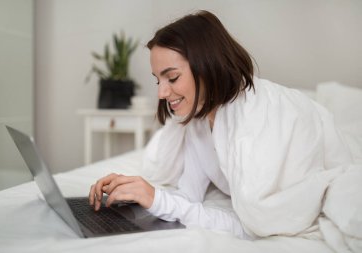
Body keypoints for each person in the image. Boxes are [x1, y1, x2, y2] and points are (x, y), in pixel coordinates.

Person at [89, 10, 352, 239]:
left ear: (207, 65)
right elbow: (189, 196)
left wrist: (157, 199)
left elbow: (256, 224)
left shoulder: (256, 119)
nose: (161, 93)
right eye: (159, 80)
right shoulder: (198, 120)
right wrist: (139, 194)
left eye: (172, 77)